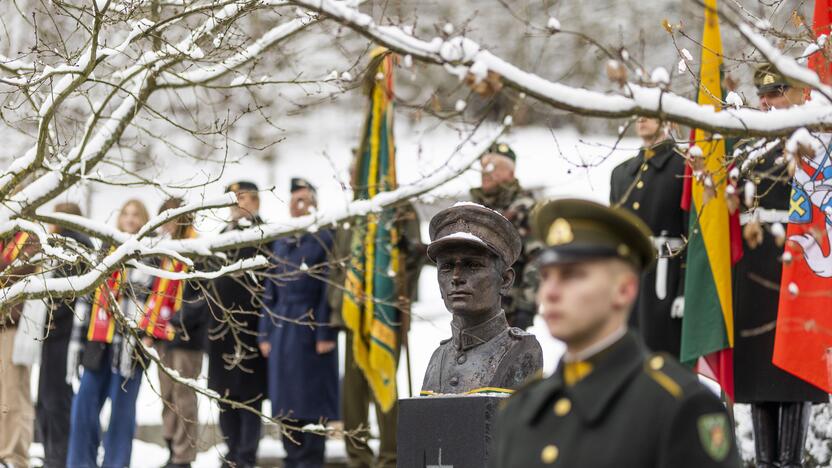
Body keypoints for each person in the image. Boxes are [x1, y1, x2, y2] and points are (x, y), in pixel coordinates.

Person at [490, 198, 740, 468]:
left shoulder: (677, 406)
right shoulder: (521, 412)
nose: (549, 292)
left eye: (572, 275)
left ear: (624, 289)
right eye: (546, 276)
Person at [730, 64, 826, 468]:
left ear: (797, 95)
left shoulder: (813, 144)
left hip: (796, 260)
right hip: (753, 268)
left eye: (776, 93)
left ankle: (790, 460)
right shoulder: (745, 149)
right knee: (756, 372)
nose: (768, 103)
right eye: (763, 95)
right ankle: (766, 461)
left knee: (792, 372)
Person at [331, 198, 424, 468]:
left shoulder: (400, 207)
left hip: (387, 313)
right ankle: (358, 458)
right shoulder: (352, 211)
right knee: (353, 392)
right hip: (355, 312)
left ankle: (389, 458)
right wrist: (339, 306)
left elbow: (413, 257)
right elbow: (337, 262)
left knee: (384, 384)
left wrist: (399, 298)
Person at [66, 199, 154, 468]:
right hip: (98, 343)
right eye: (125, 213)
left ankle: (116, 464)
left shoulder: (150, 255)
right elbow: (86, 299)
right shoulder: (104, 252)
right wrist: (78, 344)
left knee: (122, 415)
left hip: (129, 347)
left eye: (135, 214)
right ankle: (81, 463)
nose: (129, 219)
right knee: (83, 409)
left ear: (143, 219)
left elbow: (155, 300)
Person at [421, 202, 542, 394]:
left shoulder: (521, 351)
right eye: (447, 267)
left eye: (473, 265)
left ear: (505, 280)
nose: (456, 277)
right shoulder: (438, 358)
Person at [258, 178, 337, 468]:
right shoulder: (282, 240)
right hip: (281, 331)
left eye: (304, 199)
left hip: (312, 327)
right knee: (286, 404)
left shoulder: (325, 236)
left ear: (315, 202)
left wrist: (325, 330)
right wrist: (264, 332)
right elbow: (270, 290)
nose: (299, 206)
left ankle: (310, 460)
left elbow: (330, 287)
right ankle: (292, 458)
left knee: (312, 402)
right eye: (294, 201)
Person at [609, 117, 687, 357]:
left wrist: (685, 290)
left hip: (668, 278)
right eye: (638, 113)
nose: (642, 119)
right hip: (630, 276)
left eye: (651, 112)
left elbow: (692, 234)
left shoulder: (685, 168)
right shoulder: (621, 173)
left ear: (670, 120)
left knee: (664, 358)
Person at [138, 197, 207, 468]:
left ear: (183, 219)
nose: (164, 225)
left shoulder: (197, 249)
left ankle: (183, 456)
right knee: (166, 395)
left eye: (170, 218)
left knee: (184, 396)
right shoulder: (164, 251)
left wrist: (178, 322)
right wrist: (151, 330)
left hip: (186, 337)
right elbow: (157, 294)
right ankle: (171, 447)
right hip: (163, 335)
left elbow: (199, 298)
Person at [206, 181, 268, 468]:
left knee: (249, 399)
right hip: (221, 335)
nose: (236, 204)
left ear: (255, 202)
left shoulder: (264, 234)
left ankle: (246, 457)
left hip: (250, 330)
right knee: (225, 398)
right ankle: (231, 453)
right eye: (232, 199)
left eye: (242, 198)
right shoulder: (218, 238)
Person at [36, 202, 93, 468]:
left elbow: (63, 296)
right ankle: (53, 456)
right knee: (49, 398)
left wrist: (45, 315)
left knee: (55, 399)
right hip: (56, 334)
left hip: (62, 334)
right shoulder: (68, 245)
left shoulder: (72, 246)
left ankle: (57, 458)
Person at [470, 142, 540, 330]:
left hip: (509, 314)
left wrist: (527, 306)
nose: (487, 172)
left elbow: (539, 259)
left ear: (511, 174)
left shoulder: (524, 209)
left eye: (495, 167)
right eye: (484, 167)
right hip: (471, 312)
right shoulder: (473, 210)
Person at [0, 225, 40, 468]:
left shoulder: (28, 237)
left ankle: (14, 454)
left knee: (14, 392)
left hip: (14, 326)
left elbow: (17, 274)